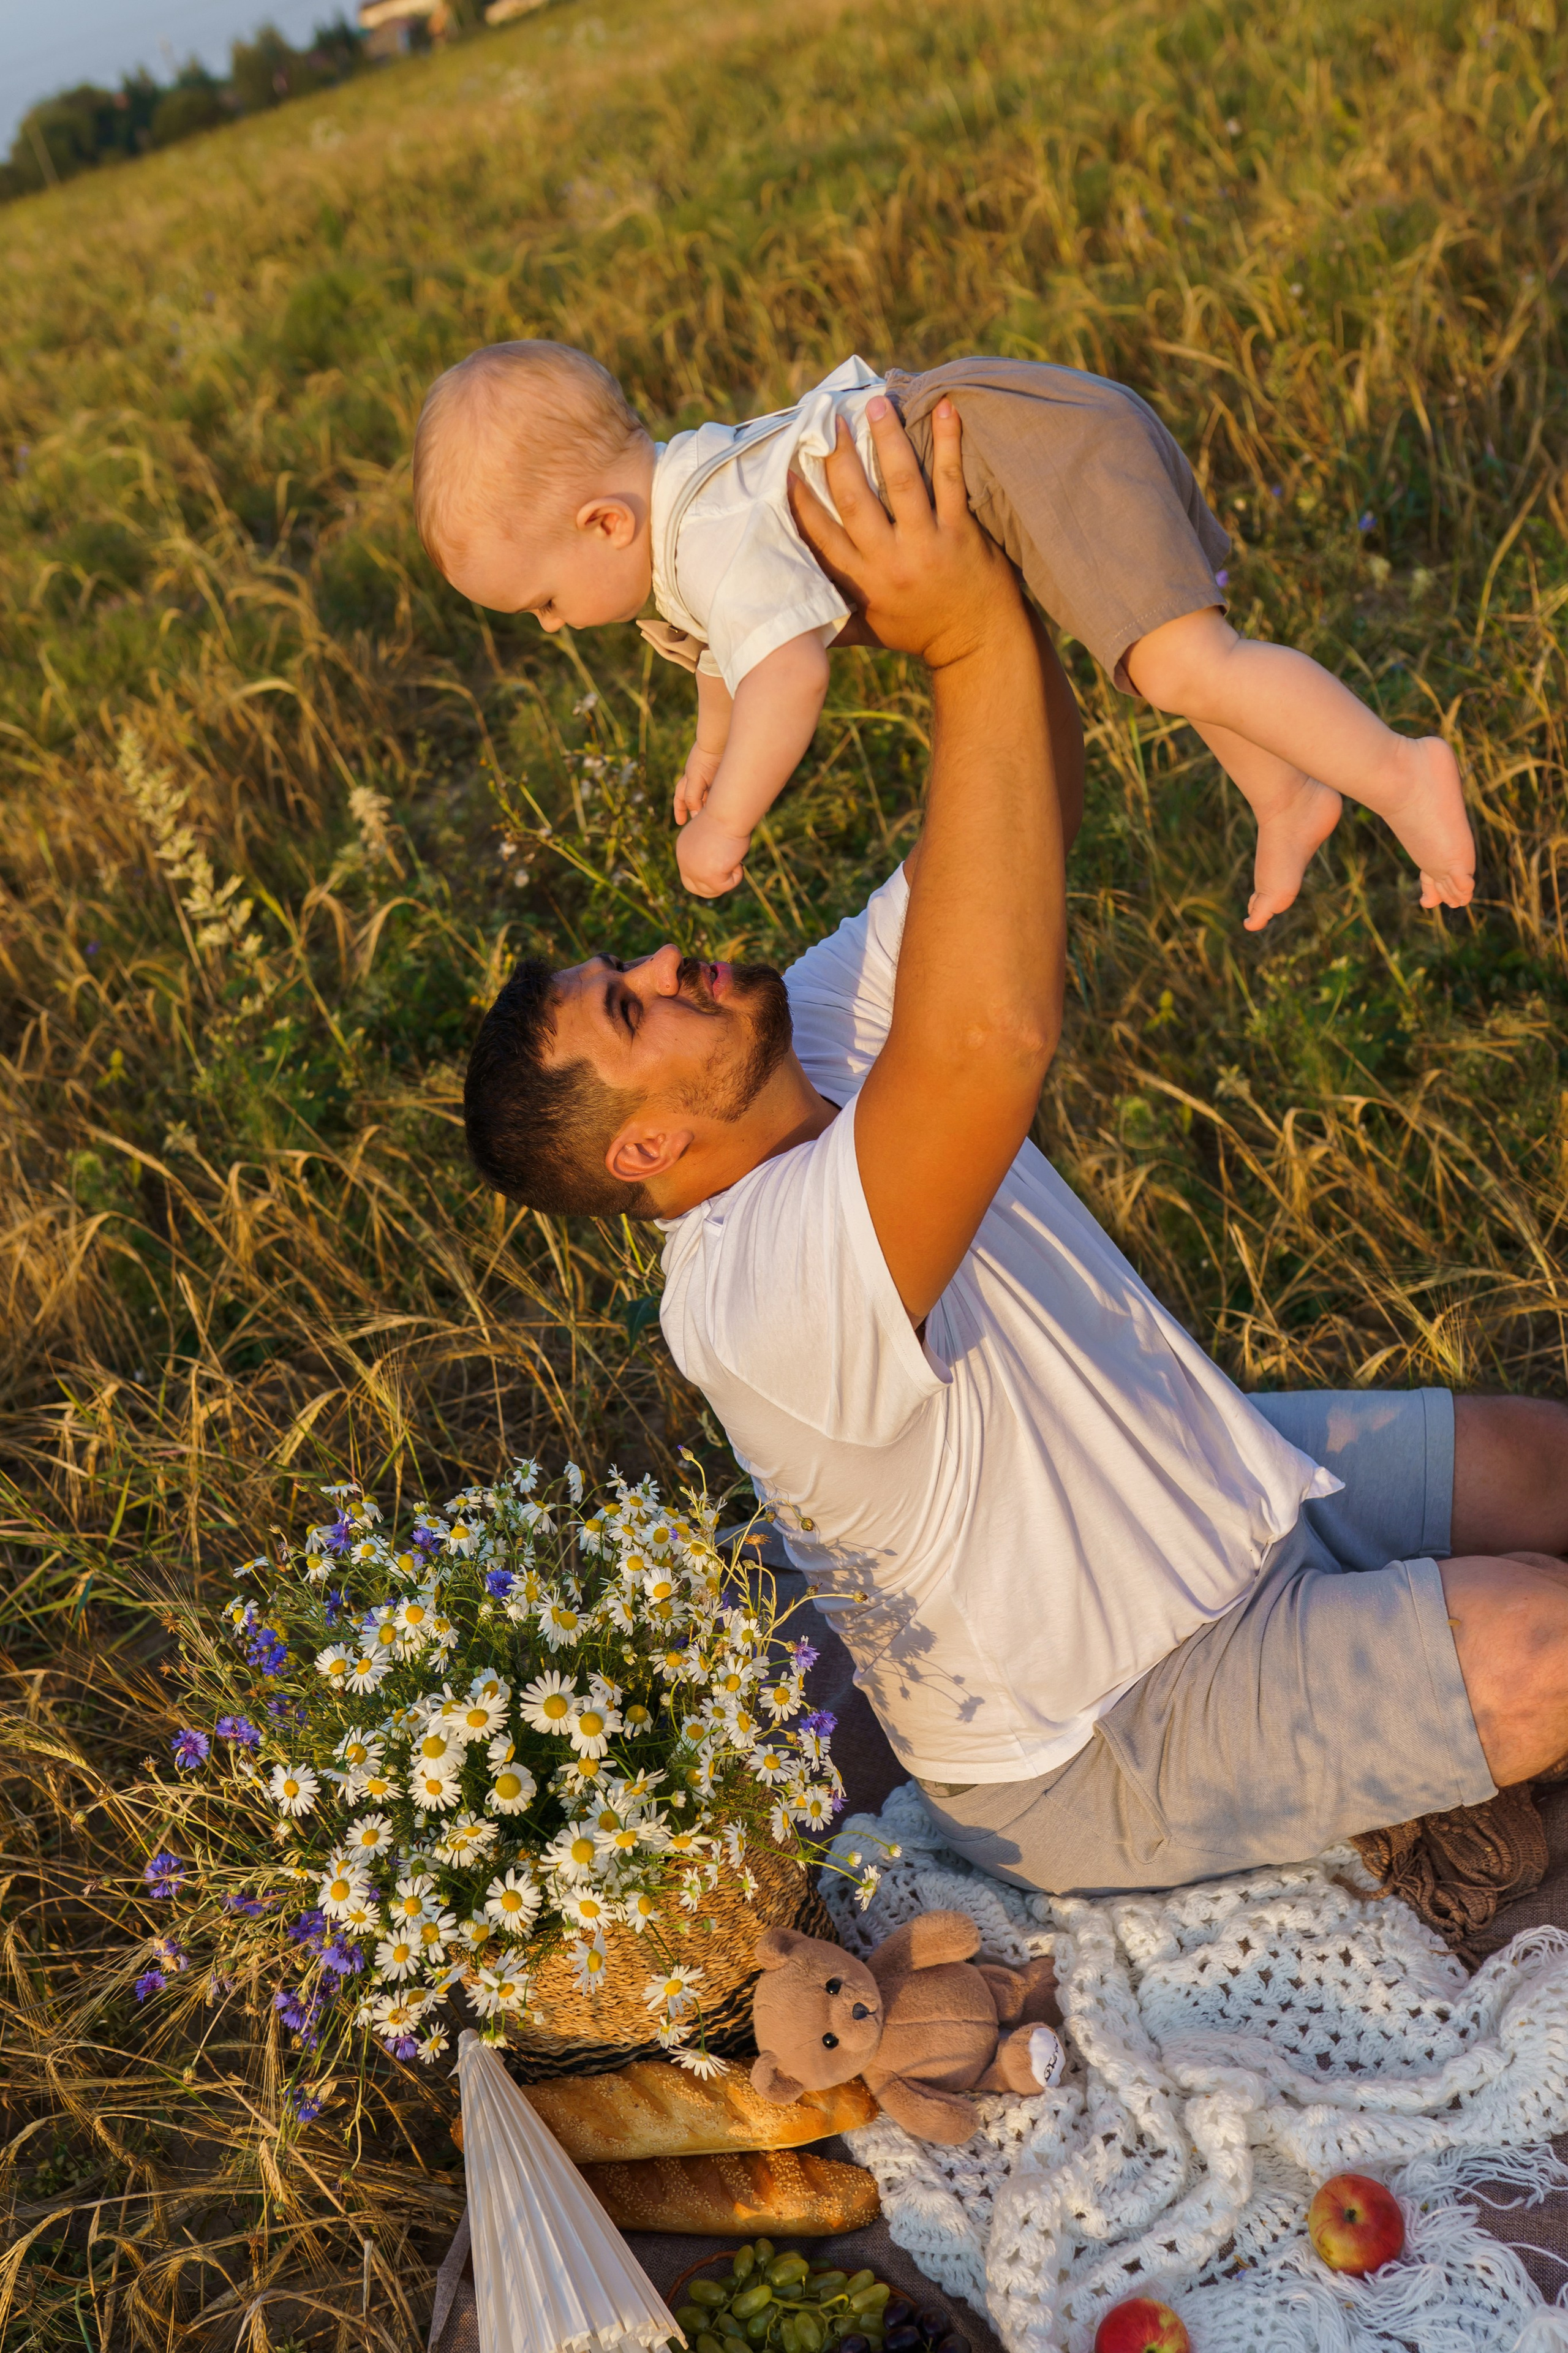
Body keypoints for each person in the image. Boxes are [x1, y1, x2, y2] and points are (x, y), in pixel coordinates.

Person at [460, 394, 1568, 1897]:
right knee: (1538, 1639)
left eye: (628, 962)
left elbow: (1018, 800)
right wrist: (964, 641)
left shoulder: (808, 1035)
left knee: (1534, 1463)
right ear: (648, 1145)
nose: (665, 959)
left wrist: (963, 590)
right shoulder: (749, 1296)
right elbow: (989, 1042)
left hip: (1198, 1476)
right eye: (630, 1006)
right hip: (1106, 1727)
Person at [412, 338, 1474, 931]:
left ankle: (1402, 770)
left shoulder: (707, 538)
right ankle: (1287, 793)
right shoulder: (687, 505)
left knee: (1182, 659)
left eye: (543, 602)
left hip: (1015, 450)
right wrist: (710, 744)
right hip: (1013, 438)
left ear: (605, 526)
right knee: (1163, 662)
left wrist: (727, 819)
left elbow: (785, 672)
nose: (552, 627)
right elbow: (733, 648)